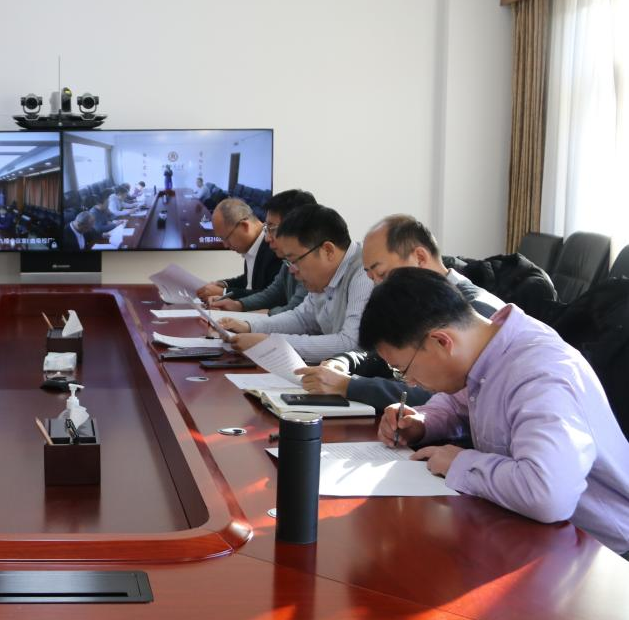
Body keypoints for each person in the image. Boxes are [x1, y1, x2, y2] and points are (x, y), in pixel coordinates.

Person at [361, 268, 629, 556]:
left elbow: (547, 494)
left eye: (403, 369)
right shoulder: (486, 349)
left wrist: (460, 463)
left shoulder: (540, 373)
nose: (409, 382)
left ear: (441, 341)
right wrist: (422, 422)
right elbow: (458, 403)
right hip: (530, 534)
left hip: (603, 553)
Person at [296, 214, 505, 410]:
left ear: (420, 257)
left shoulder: (474, 311)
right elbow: (386, 357)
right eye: (371, 278)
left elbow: (439, 394)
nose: (378, 286)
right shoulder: (418, 303)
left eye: (382, 274)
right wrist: (344, 362)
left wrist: (349, 386)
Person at [218, 204, 372, 363]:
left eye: (294, 260)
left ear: (328, 250)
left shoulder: (365, 272)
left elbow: (351, 344)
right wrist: (249, 327)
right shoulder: (323, 277)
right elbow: (302, 319)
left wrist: (271, 343)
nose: (292, 270)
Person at [210, 189, 315, 315]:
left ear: (296, 227)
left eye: (272, 228)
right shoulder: (289, 261)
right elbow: (274, 292)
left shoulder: (311, 263)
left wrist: (261, 316)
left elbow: (298, 315)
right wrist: (238, 305)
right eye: (267, 228)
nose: (267, 238)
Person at [196, 198, 281, 302]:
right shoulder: (253, 245)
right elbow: (249, 280)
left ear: (244, 226)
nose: (225, 245)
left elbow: (272, 296)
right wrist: (223, 284)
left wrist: (223, 293)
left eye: (226, 238)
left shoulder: (274, 249)